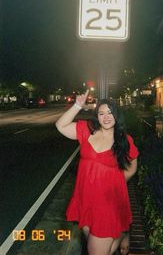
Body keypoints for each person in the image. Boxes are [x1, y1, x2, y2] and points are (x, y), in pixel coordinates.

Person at [55, 90, 139, 255]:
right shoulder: (86, 130)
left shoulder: (124, 139)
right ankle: (121, 235)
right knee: (95, 244)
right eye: (101, 113)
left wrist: (116, 182)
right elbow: (60, 126)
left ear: (117, 116)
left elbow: (132, 166)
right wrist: (77, 105)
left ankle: (120, 233)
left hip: (108, 203)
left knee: (95, 249)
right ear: (97, 116)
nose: (106, 117)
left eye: (110, 113)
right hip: (86, 199)